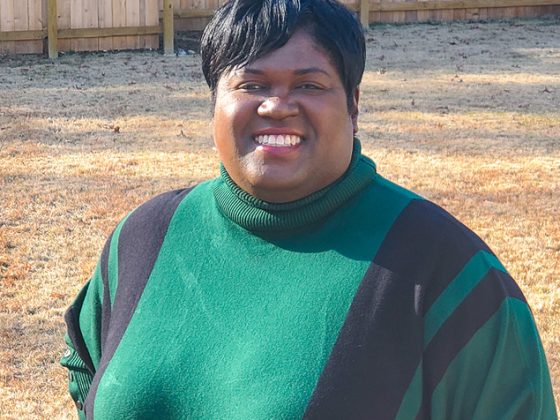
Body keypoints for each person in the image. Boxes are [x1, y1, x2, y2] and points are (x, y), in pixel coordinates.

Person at [61, 0, 557, 418]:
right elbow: (86, 370)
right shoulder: (143, 238)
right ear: (214, 101)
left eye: (309, 84)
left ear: (354, 103)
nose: (277, 105)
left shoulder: (447, 272)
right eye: (251, 84)